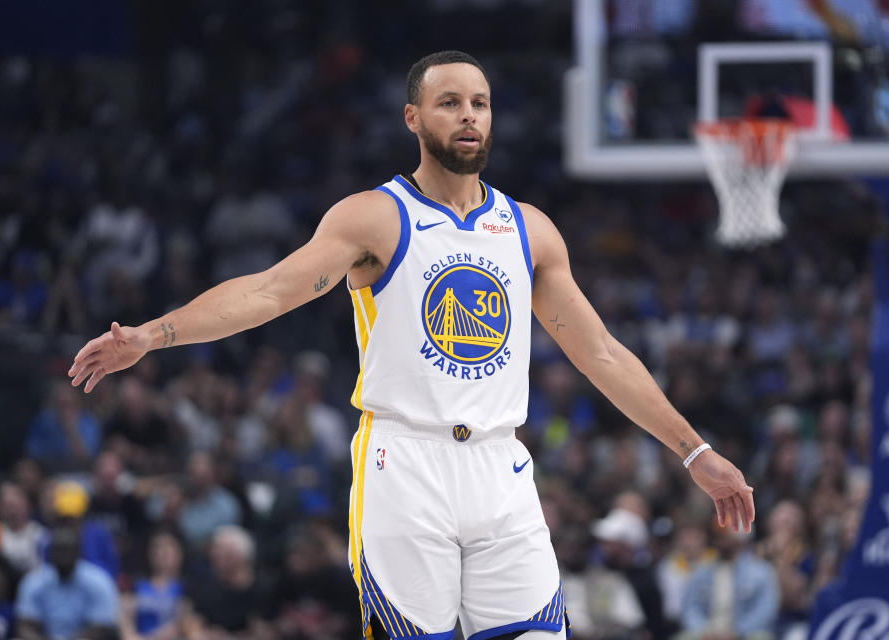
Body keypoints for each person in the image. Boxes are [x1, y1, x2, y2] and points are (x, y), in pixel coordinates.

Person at [68, 50, 755, 640]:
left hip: (500, 466)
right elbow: (270, 291)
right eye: (450, 102)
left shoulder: (529, 231)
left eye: (480, 103)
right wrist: (153, 336)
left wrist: (694, 452)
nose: (468, 116)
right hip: (405, 462)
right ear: (412, 118)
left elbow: (600, 353)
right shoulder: (376, 216)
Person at [14, 525, 119, 640]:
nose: (64, 557)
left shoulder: (99, 580)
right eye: (59, 550)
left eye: (68, 550)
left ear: (78, 552)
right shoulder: (34, 581)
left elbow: (103, 627)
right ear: (51, 553)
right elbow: (24, 626)